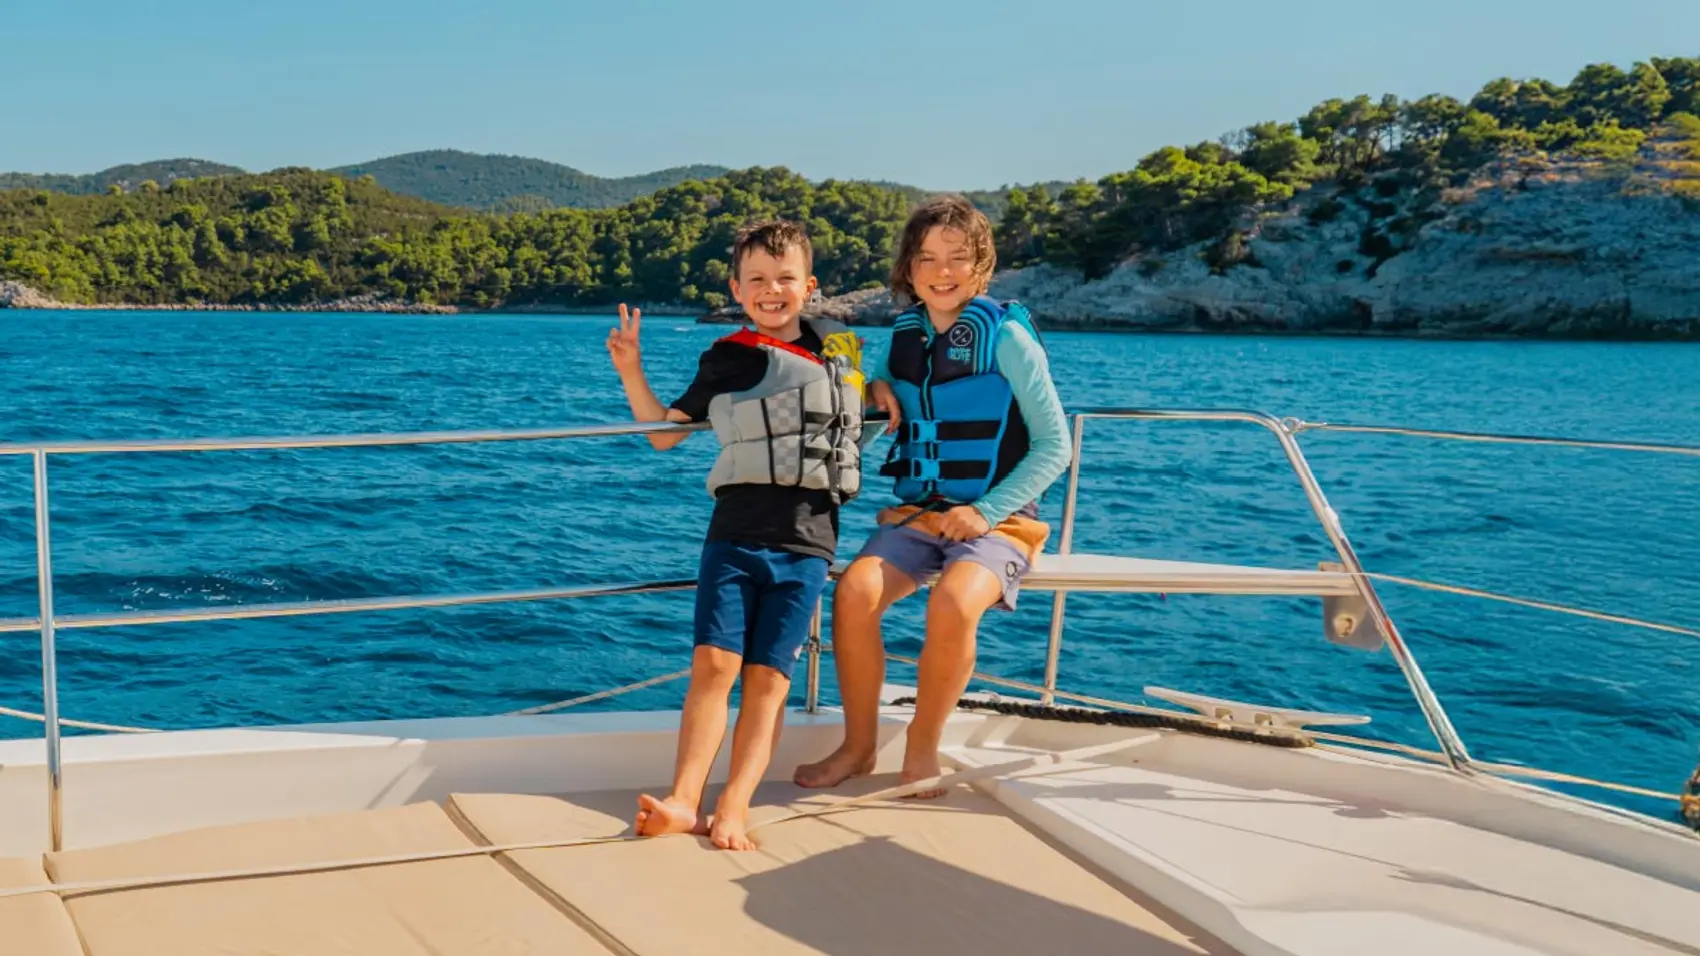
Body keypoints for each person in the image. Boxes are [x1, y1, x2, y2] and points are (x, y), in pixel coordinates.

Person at [794, 195, 1069, 796]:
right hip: (919, 514)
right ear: (909, 270)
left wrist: (985, 511)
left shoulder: (1008, 340)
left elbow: (1056, 446)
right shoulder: (904, 337)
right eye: (927, 259)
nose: (942, 272)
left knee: (952, 601)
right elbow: (858, 373)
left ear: (981, 266)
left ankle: (922, 749)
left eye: (957, 258)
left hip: (1002, 519)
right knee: (856, 590)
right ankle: (859, 747)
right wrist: (873, 385)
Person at [606, 219, 867, 848]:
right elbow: (666, 434)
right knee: (714, 665)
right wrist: (630, 369)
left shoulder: (845, 349)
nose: (770, 290)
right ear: (736, 287)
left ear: (810, 284)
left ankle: (736, 805)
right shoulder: (727, 356)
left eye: (784, 279)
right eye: (756, 280)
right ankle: (682, 800)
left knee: (769, 680)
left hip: (809, 543)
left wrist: (884, 392)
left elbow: (866, 401)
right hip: (735, 537)